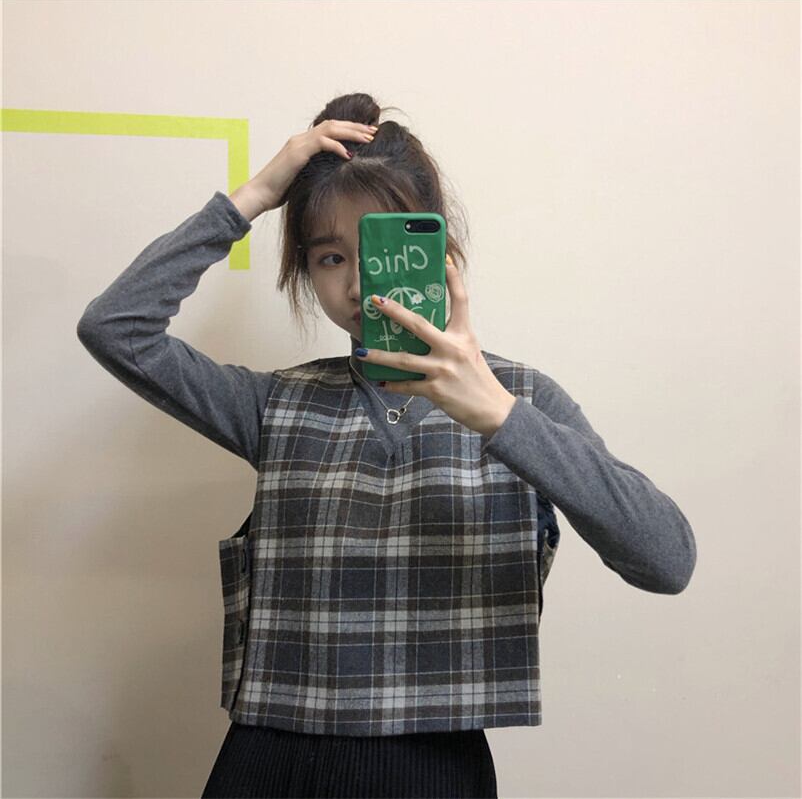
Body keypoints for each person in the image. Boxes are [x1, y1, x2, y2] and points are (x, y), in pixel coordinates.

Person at [76, 92, 696, 799]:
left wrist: (499, 414)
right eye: (329, 256)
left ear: (440, 251)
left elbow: (666, 559)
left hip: (435, 764)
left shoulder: (523, 399)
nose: (357, 282)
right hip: (269, 760)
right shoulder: (275, 404)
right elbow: (115, 328)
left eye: (382, 250)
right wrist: (256, 195)